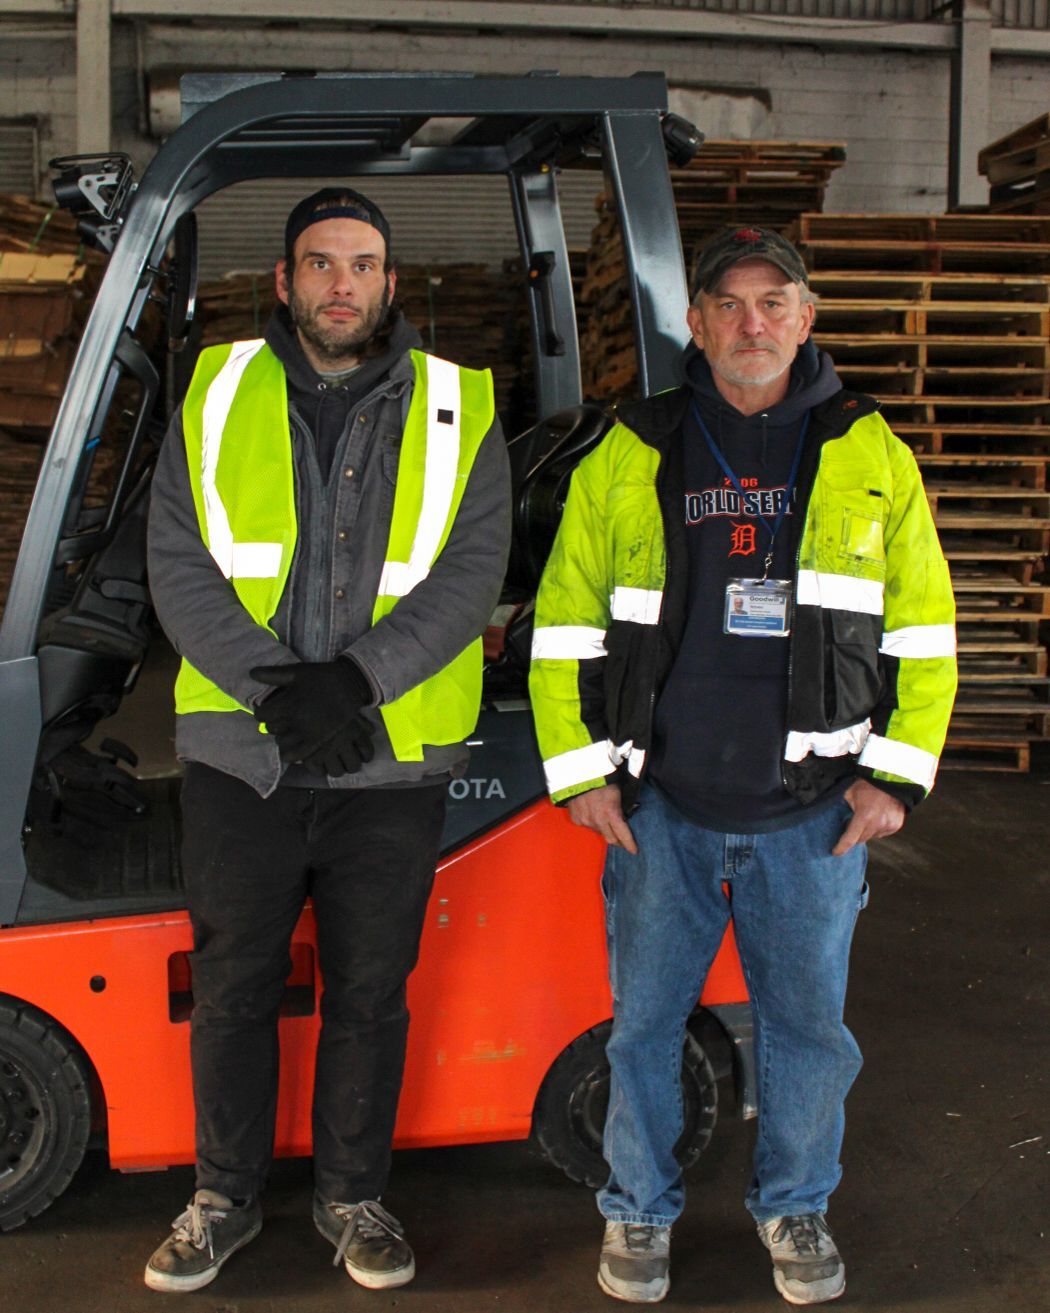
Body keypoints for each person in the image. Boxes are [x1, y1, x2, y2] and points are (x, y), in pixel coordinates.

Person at [529, 226, 956, 1306]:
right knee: (642, 1027)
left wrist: (895, 777)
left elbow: (926, 629)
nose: (752, 323)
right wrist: (583, 772)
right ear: (698, 321)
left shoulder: (870, 450)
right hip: (662, 804)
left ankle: (795, 1203)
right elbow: (566, 614)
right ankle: (636, 1210)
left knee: (809, 1030)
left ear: (807, 318)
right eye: (730, 303)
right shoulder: (636, 444)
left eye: (775, 303)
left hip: (812, 814)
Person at [145, 187, 511, 1294]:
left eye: (360, 264)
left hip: (384, 757)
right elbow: (177, 558)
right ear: (285, 281)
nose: (340, 283)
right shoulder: (213, 394)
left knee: (369, 986)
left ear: (393, 282)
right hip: (240, 753)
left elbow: (468, 571)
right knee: (234, 984)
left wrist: (355, 681)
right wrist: (273, 689)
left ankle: (353, 1195)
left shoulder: (461, 405)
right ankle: (223, 1196)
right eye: (319, 263)